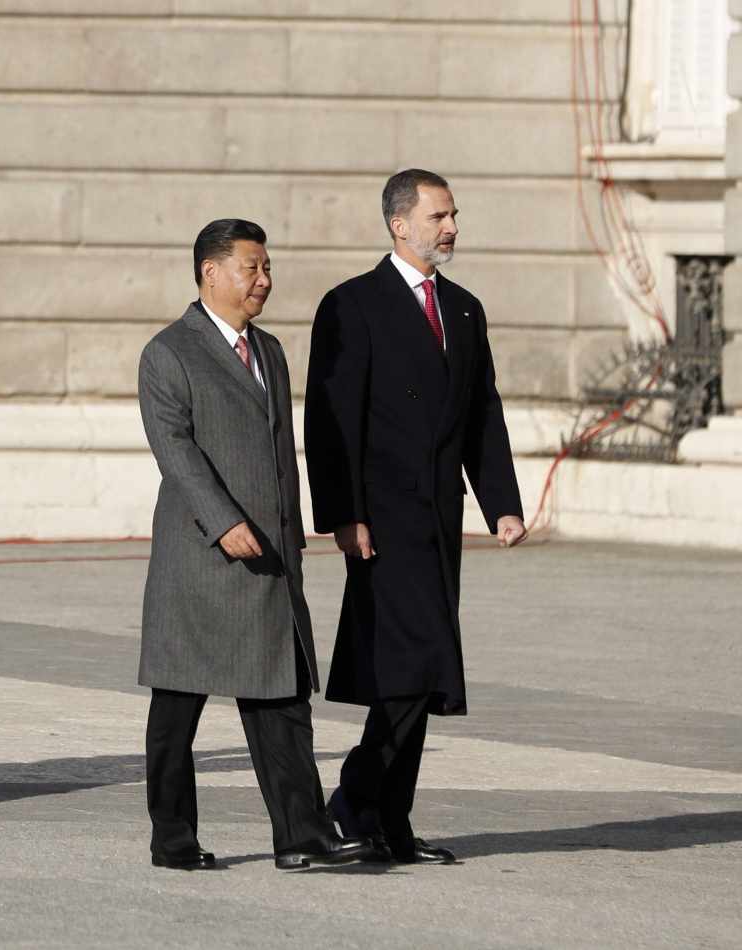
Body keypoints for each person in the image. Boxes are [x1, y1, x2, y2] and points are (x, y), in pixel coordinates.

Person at [304, 169, 529, 865]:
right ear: (400, 224)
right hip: (381, 520)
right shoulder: (353, 304)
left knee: (419, 670)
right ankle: (356, 797)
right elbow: (329, 419)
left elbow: (480, 411)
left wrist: (502, 502)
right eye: (439, 215)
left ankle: (384, 821)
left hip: (440, 517)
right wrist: (343, 514)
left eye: (455, 213)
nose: (452, 226)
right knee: (411, 666)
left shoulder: (463, 309)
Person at [136, 218, 374, 871]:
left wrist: (295, 535)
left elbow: (280, 456)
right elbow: (175, 451)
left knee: (283, 700)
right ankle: (173, 838)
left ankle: (302, 836)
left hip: (271, 561)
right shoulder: (169, 352)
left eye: (267, 268)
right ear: (211, 272)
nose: (263, 281)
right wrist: (223, 521)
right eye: (251, 268)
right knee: (177, 709)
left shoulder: (268, 349)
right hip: (200, 561)